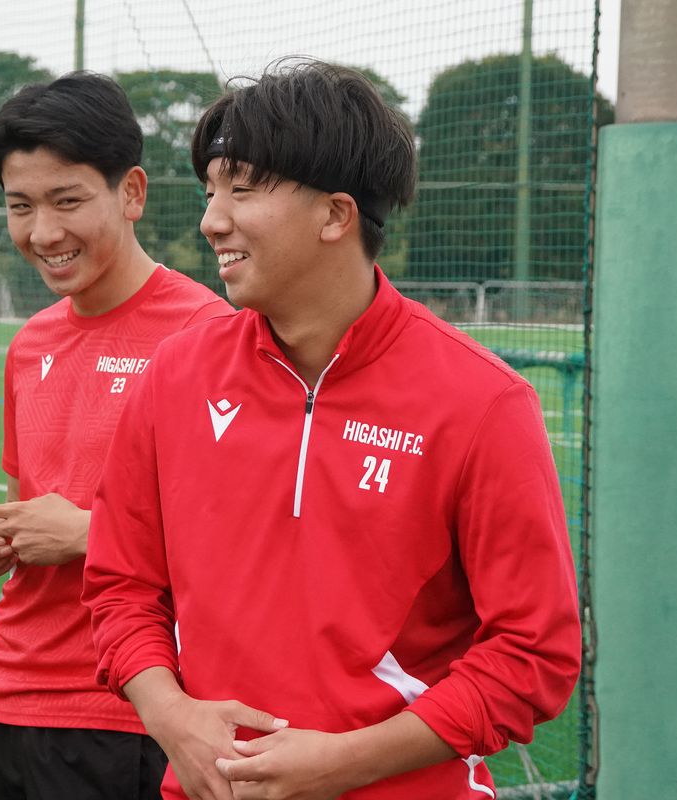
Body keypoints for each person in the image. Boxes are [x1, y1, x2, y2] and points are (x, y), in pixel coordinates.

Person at [82, 60, 581, 800]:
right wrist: (171, 715)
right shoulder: (175, 375)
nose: (212, 219)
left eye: (242, 190)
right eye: (210, 190)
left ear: (336, 215)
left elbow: (533, 653)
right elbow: (120, 587)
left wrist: (350, 762)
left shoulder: (480, 401)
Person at [0, 72, 231, 800]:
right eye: (21, 206)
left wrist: (86, 533)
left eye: (67, 201)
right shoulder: (29, 343)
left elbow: (242, 536)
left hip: (130, 711)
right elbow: (35, 505)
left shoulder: (208, 337)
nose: (43, 232)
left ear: (131, 192)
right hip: (9, 698)